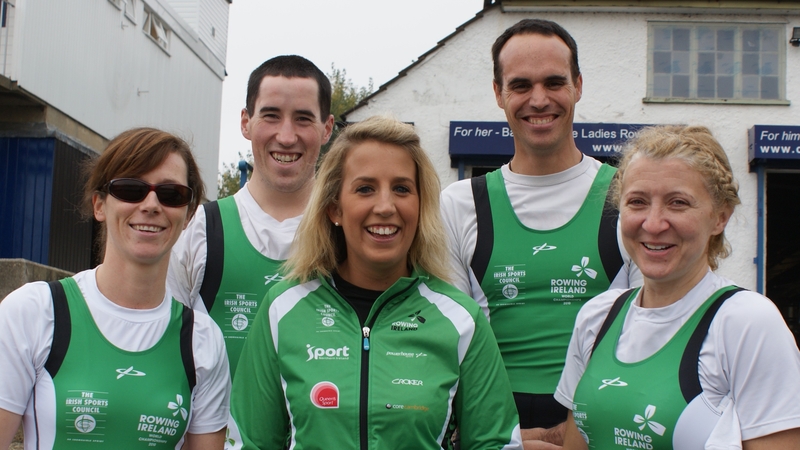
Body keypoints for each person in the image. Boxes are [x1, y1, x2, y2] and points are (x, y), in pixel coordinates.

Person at [228, 116, 523, 449]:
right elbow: (250, 443)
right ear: (334, 208)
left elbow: (495, 444)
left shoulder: (461, 319)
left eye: (401, 189)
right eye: (365, 188)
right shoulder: (281, 308)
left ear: (420, 204)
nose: (385, 206)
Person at [439, 18, 640, 437]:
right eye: (520, 85)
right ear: (498, 93)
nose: (539, 99)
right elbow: (451, 340)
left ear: (578, 85)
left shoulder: (628, 197)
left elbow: (650, 330)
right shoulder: (459, 204)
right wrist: (500, 437)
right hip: (497, 422)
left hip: (601, 418)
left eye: (554, 82)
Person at [557, 125, 800, 449]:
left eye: (678, 203)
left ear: (720, 217)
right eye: (638, 201)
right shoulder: (597, 316)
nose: (654, 224)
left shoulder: (747, 323)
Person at [0, 128, 231, 449]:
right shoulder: (33, 312)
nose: (151, 204)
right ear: (99, 205)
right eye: (131, 189)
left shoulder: (203, 341)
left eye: (171, 194)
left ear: (189, 214)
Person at [168, 55, 334, 377]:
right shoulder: (201, 229)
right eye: (271, 116)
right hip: (217, 429)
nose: (286, 136)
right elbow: (163, 347)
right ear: (246, 122)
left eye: (303, 119)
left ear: (326, 128)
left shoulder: (347, 232)